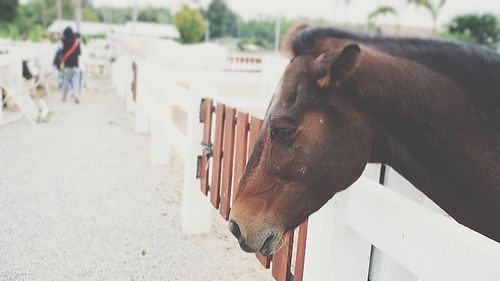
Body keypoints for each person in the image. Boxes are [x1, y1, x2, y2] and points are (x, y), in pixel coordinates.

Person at [60, 27, 81, 104]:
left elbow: (62, 52)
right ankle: (77, 97)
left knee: (66, 82)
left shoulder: (64, 41)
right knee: (76, 82)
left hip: (67, 65)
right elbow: (79, 53)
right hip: (75, 65)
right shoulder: (77, 41)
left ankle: (64, 98)